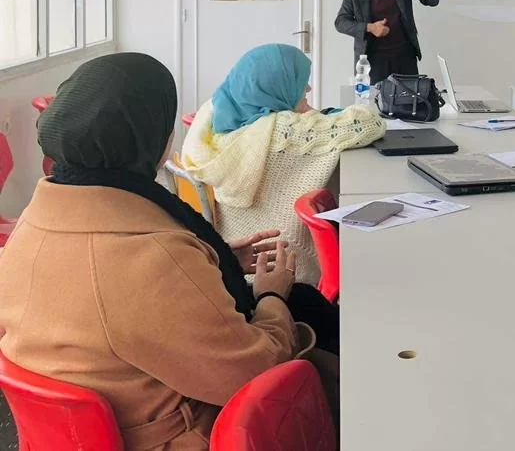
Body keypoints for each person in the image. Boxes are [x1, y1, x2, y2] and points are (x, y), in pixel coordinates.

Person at [0, 53, 329, 450]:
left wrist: (210, 261)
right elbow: (254, 368)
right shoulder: (151, 257)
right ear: (155, 139)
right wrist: (271, 295)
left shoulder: (32, 225)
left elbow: (104, 299)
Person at [182, 43, 386, 286]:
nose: (308, 88)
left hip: (235, 262)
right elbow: (370, 123)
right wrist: (313, 116)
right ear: (275, 85)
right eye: (300, 82)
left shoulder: (215, 113)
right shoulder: (282, 130)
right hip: (284, 272)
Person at [334, 0, 439, 83]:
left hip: (405, 58)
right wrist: (370, 27)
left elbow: (432, 0)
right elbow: (340, 22)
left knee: (410, 97)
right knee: (372, 97)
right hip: (372, 62)